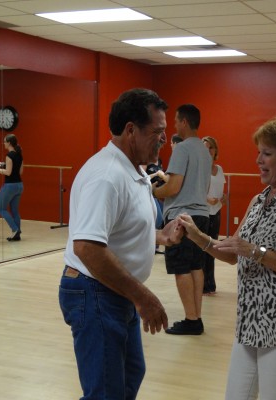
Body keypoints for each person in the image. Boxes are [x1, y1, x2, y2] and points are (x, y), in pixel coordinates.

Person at [177, 117, 276, 399]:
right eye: (259, 152)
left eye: (267, 153)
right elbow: (233, 253)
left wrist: (256, 252)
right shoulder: (259, 200)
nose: (258, 160)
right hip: (251, 322)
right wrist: (195, 235)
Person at [59, 88, 183, 400]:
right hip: (96, 293)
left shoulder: (135, 170)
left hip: (115, 291)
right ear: (131, 130)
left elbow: (118, 229)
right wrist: (144, 297)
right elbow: (87, 247)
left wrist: (161, 236)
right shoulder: (107, 176)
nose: (163, 140)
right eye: (157, 132)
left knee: (128, 376)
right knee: (106, 391)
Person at [152, 104, 212, 335]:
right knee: (197, 266)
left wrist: (153, 192)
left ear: (184, 122)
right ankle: (196, 317)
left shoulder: (182, 148)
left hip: (181, 217)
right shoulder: (205, 151)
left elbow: (173, 187)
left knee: (181, 268)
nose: (175, 126)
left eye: (176, 121)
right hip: (201, 215)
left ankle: (191, 319)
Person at [201, 136, 226, 295]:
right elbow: (194, 191)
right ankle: (202, 285)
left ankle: (210, 284)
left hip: (216, 211)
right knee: (203, 249)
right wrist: (206, 199)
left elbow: (221, 191)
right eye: (205, 147)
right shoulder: (199, 169)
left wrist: (223, 198)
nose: (208, 150)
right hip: (203, 213)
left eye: (211, 147)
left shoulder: (220, 169)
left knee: (213, 248)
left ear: (215, 150)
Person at [0, 134, 24, 241]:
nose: (3, 143)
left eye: (4, 141)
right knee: (15, 210)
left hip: (10, 186)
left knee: (0, 208)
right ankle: (17, 234)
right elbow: (20, 171)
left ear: (9, 143)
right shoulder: (19, 155)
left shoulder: (9, 155)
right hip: (19, 185)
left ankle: (14, 229)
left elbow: (8, 173)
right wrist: (5, 165)